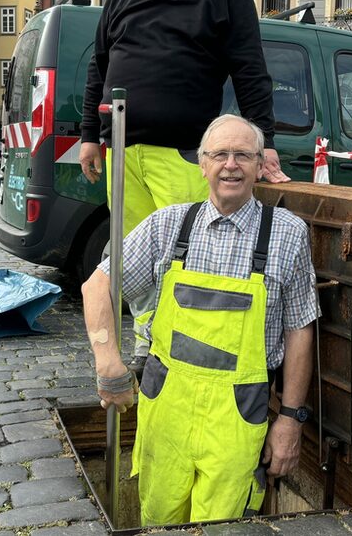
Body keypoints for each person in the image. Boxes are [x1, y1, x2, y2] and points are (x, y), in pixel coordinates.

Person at [79, 0, 291, 374]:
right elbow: (100, 66)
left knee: (187, 256)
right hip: (122, 152)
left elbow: (250, 70)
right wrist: (90, 134)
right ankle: (144, 345)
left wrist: (266, 144)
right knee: (132, 259)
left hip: (184, 154)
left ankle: (186, 347)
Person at [81, 115, 317, 525]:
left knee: (225, 526)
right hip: (166, 413)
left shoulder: (287, 233)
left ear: (261, 165)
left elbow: (300, 329)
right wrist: (107, 360)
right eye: (220, 154)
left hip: (238, 420)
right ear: (202, 165)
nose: (231, 164)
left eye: (243, 155)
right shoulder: (167, 225)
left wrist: (290, 420)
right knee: (158, 518)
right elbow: (96, 287)